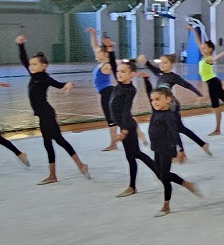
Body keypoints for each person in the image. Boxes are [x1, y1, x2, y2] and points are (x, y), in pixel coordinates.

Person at [16, 35, 89, 184]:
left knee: (58, 141)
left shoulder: (44, 78)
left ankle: (77, 166)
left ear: (43, 66)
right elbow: (24, 60)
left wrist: (68, 84)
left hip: (47, 114)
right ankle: (56, 174)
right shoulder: (33, 75)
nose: (31, 66)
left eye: (34, 64)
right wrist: (21, 45)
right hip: (43, 114)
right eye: (31, 64)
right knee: (49, 143)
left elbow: (59, 84)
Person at [141, 77, 202, 216]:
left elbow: (175, 133)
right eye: (152, 100)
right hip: (157, 148)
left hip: (167, 149)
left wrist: (181, 150)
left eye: (158, 99)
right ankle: (186, 184)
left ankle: (166, 206)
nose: (154, 102)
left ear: (168, 99)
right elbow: (149, 92)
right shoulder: (156, 111)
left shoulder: (168, 116)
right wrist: (146, 79)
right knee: (161, 175)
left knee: (164, 177)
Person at [141, 52, 210, 161]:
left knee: (172, 127)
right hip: (163, 103)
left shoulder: (173, 77)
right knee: (180, 128)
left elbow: (187, 85)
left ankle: (177, 153)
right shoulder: (160, 73)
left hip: (171, 104)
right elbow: (149, 66)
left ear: (171, 65)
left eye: (165, 63)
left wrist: (199, 95)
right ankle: (202, 144)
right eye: (161, 62)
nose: (162, 65)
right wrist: (144, 60)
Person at [107, 55, 158, 199]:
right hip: (124, 125)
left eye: (123, 72)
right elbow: (113, 65)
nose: (119, 74)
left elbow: (125, 111)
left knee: (134, 155)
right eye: (118, 72)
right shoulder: (120, 84)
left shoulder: (130, 90)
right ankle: (154, 174)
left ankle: (134, 186)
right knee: (134, 155)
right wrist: (110, 50)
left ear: (132, 74)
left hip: (127, 126)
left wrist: (124, 131)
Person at [189, 26, 224, 136]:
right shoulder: (204, 56)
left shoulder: (209, 58)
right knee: (216, 106)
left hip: (214, 83)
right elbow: (198, 42)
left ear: (210, 49)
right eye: (202, 48)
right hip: (211, 83)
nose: (202, 49)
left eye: (204, 48)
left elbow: (214, 59)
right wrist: (193, 30)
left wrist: (223, 53)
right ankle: (218, 129)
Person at [87, 28, 120, 152]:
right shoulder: (102, 63)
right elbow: (95, 46)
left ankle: (113, 143)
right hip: (105, 92)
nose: (96, 53)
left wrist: (111, 48)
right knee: (114, 117)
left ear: (105, 54)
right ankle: (115, 142)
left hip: (108, 93)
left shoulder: (107, 66)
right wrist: (93, 34)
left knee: (111, 118)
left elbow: (116, 65)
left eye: (98, 52)